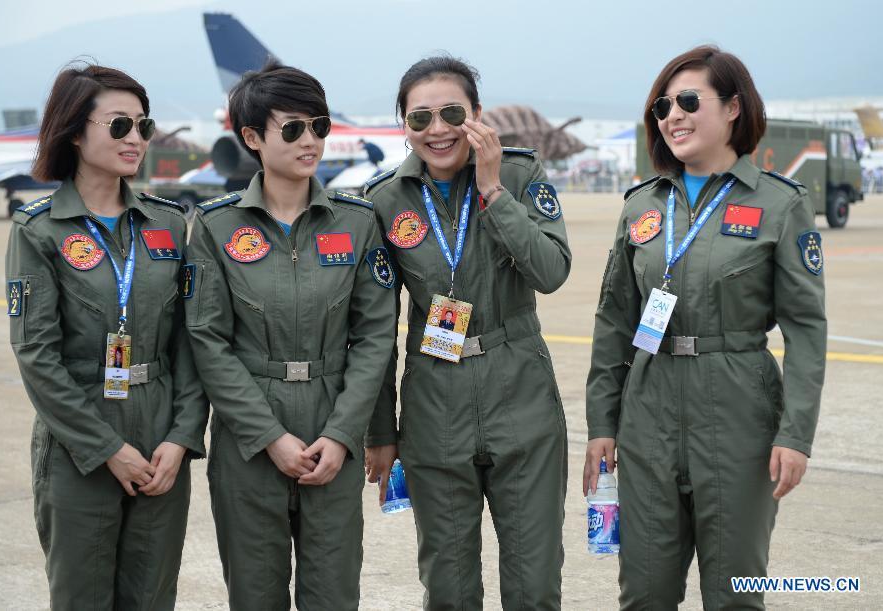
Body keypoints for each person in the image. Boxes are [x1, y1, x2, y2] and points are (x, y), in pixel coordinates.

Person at [583, 45, 826, 609]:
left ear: (734, 107)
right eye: (663, 106)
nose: (673, 115)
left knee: (735, 593)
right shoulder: (641, 206)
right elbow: (614, 321)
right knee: (644, 592)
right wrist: (602, 423)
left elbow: (806, 329)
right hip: (648, 414)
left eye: (689, 101)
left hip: (739, 413)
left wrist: (795, 435)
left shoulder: (779, 204)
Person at [184, 61, 395, 610]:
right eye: (293, 128)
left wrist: (344, 434)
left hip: (332, 426)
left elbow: (375, 337)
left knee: (334, 595)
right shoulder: (215, 226)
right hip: (250, 438)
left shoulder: (357, 222)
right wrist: (268, 436)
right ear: (252, 137)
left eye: (319, 126)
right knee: (255, 595)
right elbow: (207, 341)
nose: (310, 141)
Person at [364, 55, 571, 610]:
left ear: (477, 115)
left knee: (533, 586)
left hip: (521, 395)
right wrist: (381, 430)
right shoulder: (383, 201)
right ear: (405, 125)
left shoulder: (520, 176)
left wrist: (493, 191)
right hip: (435, 407)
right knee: (449, 588)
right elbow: (374, 329)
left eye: (452, 113)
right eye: (420, 118)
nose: (437, 129)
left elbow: (551, 272)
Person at [5, 64, 208, 609]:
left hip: (161, 437)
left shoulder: (168, 224)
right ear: (75, 130)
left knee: (152, 597)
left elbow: (191, 341)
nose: (136, 138)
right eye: (120, 125)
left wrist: (181, 438)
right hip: (80, 440)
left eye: (144, 126)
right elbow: (36, 356)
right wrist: (106, 449)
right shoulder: (40, 230)